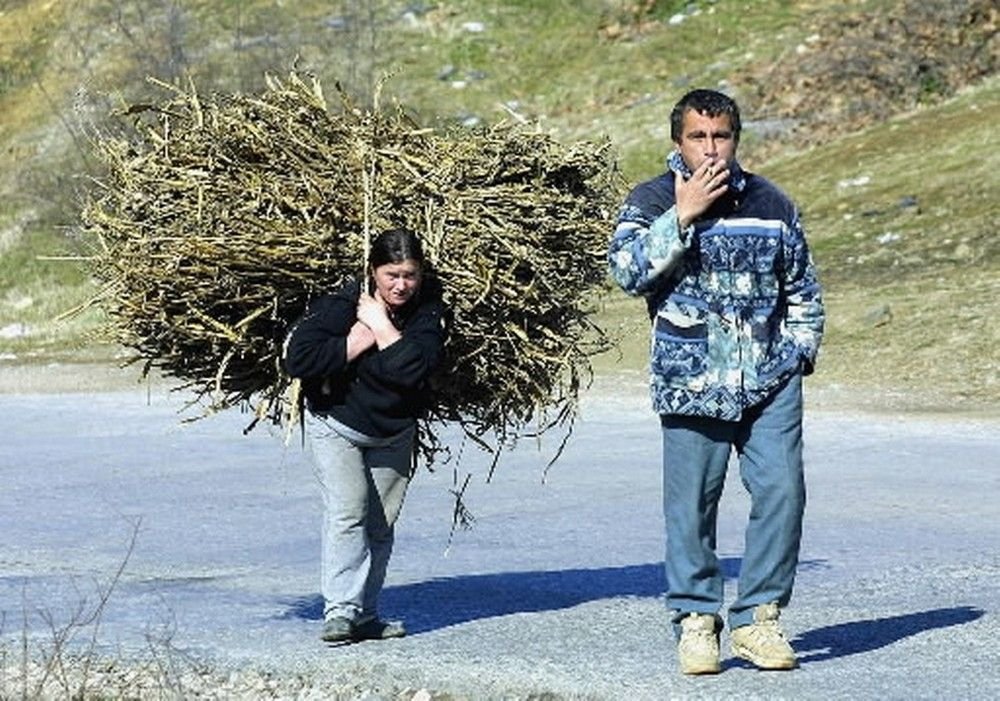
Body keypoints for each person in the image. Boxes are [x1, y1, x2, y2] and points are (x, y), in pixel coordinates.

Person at [607, 89, 824, 674]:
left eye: (720, 136)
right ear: (677, 141)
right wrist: (681, 215)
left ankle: (759, 620)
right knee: (691, 510)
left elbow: (802, 288)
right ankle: (697, 621)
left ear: (736, 139)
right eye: (698, 137)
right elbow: (626, 273)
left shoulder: (772, 203)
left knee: (783, 493)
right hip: (691, 381)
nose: (710, 148)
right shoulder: (651, 199)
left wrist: (800, 350)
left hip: (769, 379)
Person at [283, 228, 448, 644]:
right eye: (391, 274)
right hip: (336, 426)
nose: (401, 285)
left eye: (410, 275)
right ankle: (340, 612)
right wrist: (354, 343)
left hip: (394, 433)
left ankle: (366, 615)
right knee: (348, 512)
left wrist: (380, 326)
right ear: (374, 271)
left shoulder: (429, 311)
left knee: (379, 526)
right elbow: (297, 358)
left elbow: (415, 370)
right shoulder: (344, 303)